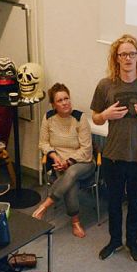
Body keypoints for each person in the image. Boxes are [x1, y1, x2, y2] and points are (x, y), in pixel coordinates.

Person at [90, 33, 137, 262]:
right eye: (123, 54)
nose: (128, 58)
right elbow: (95, 117)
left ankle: (132, 242)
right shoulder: (105, 85)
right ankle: (114, 241)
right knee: (113, 201)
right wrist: (105, 114)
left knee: (134, 202)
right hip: (113, 154)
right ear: (117, 58)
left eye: (132, 53)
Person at [32, 83, 96, 239]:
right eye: (60, 100)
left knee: (71, 171)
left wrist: (67, 161)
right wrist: (55, 157)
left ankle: (44, 205)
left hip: (84, 163)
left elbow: (87, 150)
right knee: (70, 181)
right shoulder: (48, 118)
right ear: (54, 105)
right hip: (59, 164)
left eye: (66, 98)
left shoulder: (80, 118)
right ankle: (75, 222)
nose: (65, 102)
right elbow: (43, 143)